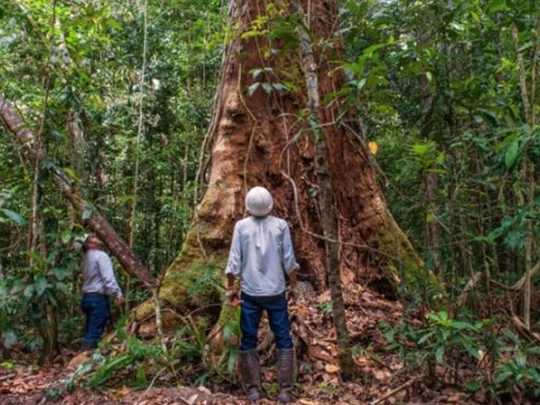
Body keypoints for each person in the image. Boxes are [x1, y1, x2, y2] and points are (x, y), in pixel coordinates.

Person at [225, 186, 299, 403]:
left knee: (248, 339)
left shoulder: (241, 227)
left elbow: (233, 264)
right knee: (284, 338)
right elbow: (289, 261)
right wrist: (293, 286)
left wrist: (231, 288)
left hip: (250, 293)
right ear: (270, 205)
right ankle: (285, 390)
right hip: (276, 292)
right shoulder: (280, 226)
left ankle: (253, 391)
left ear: (248, 206)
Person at [80, 235, 124, 351]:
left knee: (90, 329)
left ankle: (82, 357)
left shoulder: (85, 257)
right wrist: (118, 293)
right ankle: (84, 360)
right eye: (91, 238)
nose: (96, 237)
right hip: (98, 299)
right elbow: (108, 278)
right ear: (88, 244)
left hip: (87, 297)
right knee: (94, 333)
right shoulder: (101, 256)